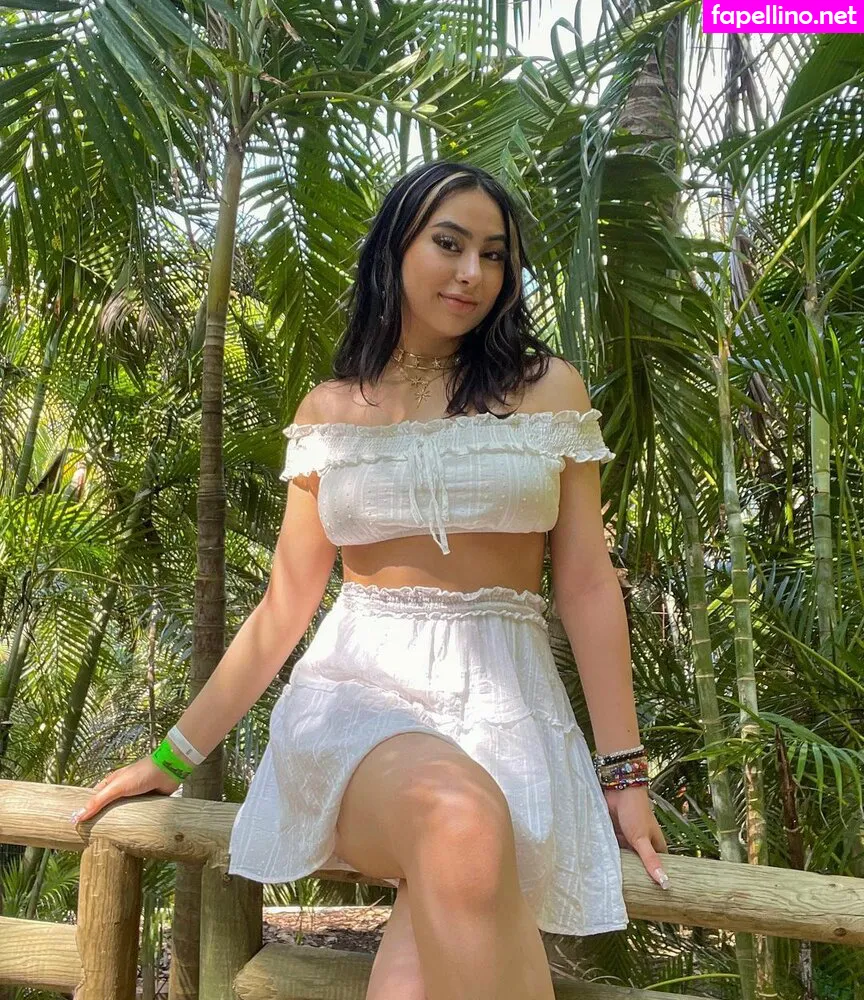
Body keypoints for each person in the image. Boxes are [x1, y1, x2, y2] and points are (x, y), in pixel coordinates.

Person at [72, 161, 669, 999]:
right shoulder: (330, 411)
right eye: (449, 244)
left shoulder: (548, 391)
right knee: (458, 817)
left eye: (494, 255)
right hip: (358, 707)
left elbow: (588, 587)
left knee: (421, 956)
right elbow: (285, 606)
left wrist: (625, 775)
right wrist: (173, 755)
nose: (472, 272)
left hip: (512, 717)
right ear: (394, 248)